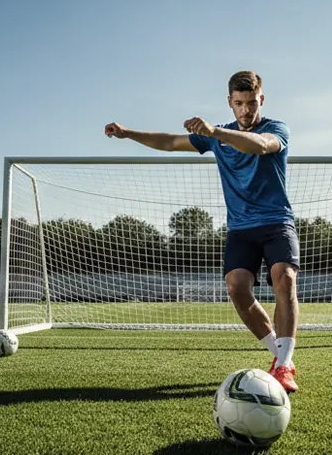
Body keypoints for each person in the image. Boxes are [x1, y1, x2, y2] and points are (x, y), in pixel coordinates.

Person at [104, 70, 300, 392]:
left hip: (277, 222)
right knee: (237, 288)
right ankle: (280, 357)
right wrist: (128, 133)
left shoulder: (276, 129)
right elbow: (169, 142)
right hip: (240, 227)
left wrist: (215, 131)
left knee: (285, 278)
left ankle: (282, 367)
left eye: (252, 103)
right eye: (239, 103)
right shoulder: (214, 136)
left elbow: (261, 146)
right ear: (230, 102)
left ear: (261, 100)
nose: (246, 110)